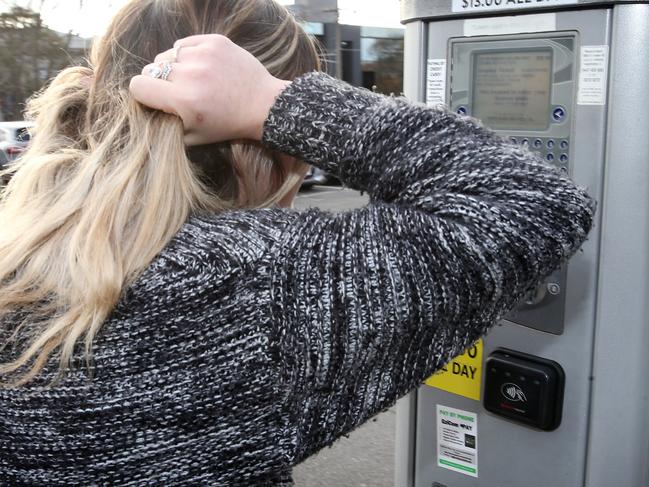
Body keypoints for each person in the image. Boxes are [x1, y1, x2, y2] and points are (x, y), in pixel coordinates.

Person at [0, 0, 594, 485]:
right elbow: (528, 203)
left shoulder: (18, 258)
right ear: (256, 138)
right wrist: (273, 103)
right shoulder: (239, 285)